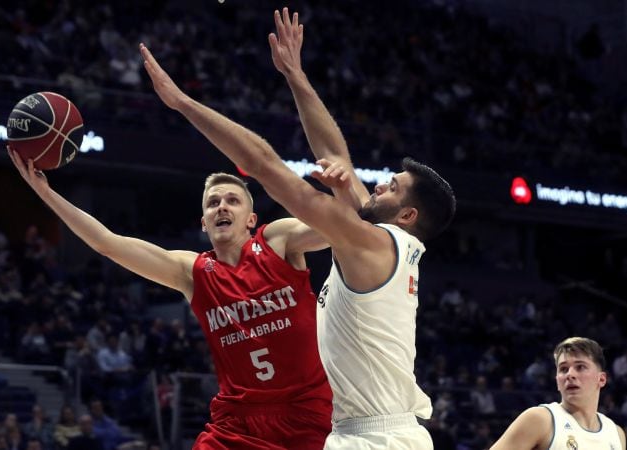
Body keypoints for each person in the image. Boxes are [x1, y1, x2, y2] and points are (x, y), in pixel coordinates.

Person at [140, 7, 456, 448]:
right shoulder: (383, 238)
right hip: (364, 433)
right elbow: (336, 157)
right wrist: (295, 76)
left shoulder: (371, 241)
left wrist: (182, 104)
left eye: (393, 187)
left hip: (375, 439)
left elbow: (263, 166)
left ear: (408, 216)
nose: (380, 183)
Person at [7, 55, 353, 447]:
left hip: (307, 415)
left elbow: (339, 230)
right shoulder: (193, 272)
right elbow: (107, 243)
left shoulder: (279, 241)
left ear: (251, 218)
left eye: (232, 201)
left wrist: (341, 190)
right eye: (213, 203)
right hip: (235, 424)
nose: (221, 206)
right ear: (203, 223)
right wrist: (45, 193)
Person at [489, 337, 626, 450]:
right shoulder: (540, 419)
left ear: (601, 379)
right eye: (563, 369)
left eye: (580, 367)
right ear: (557, 381)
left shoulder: (616, 434)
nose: (570, 374)